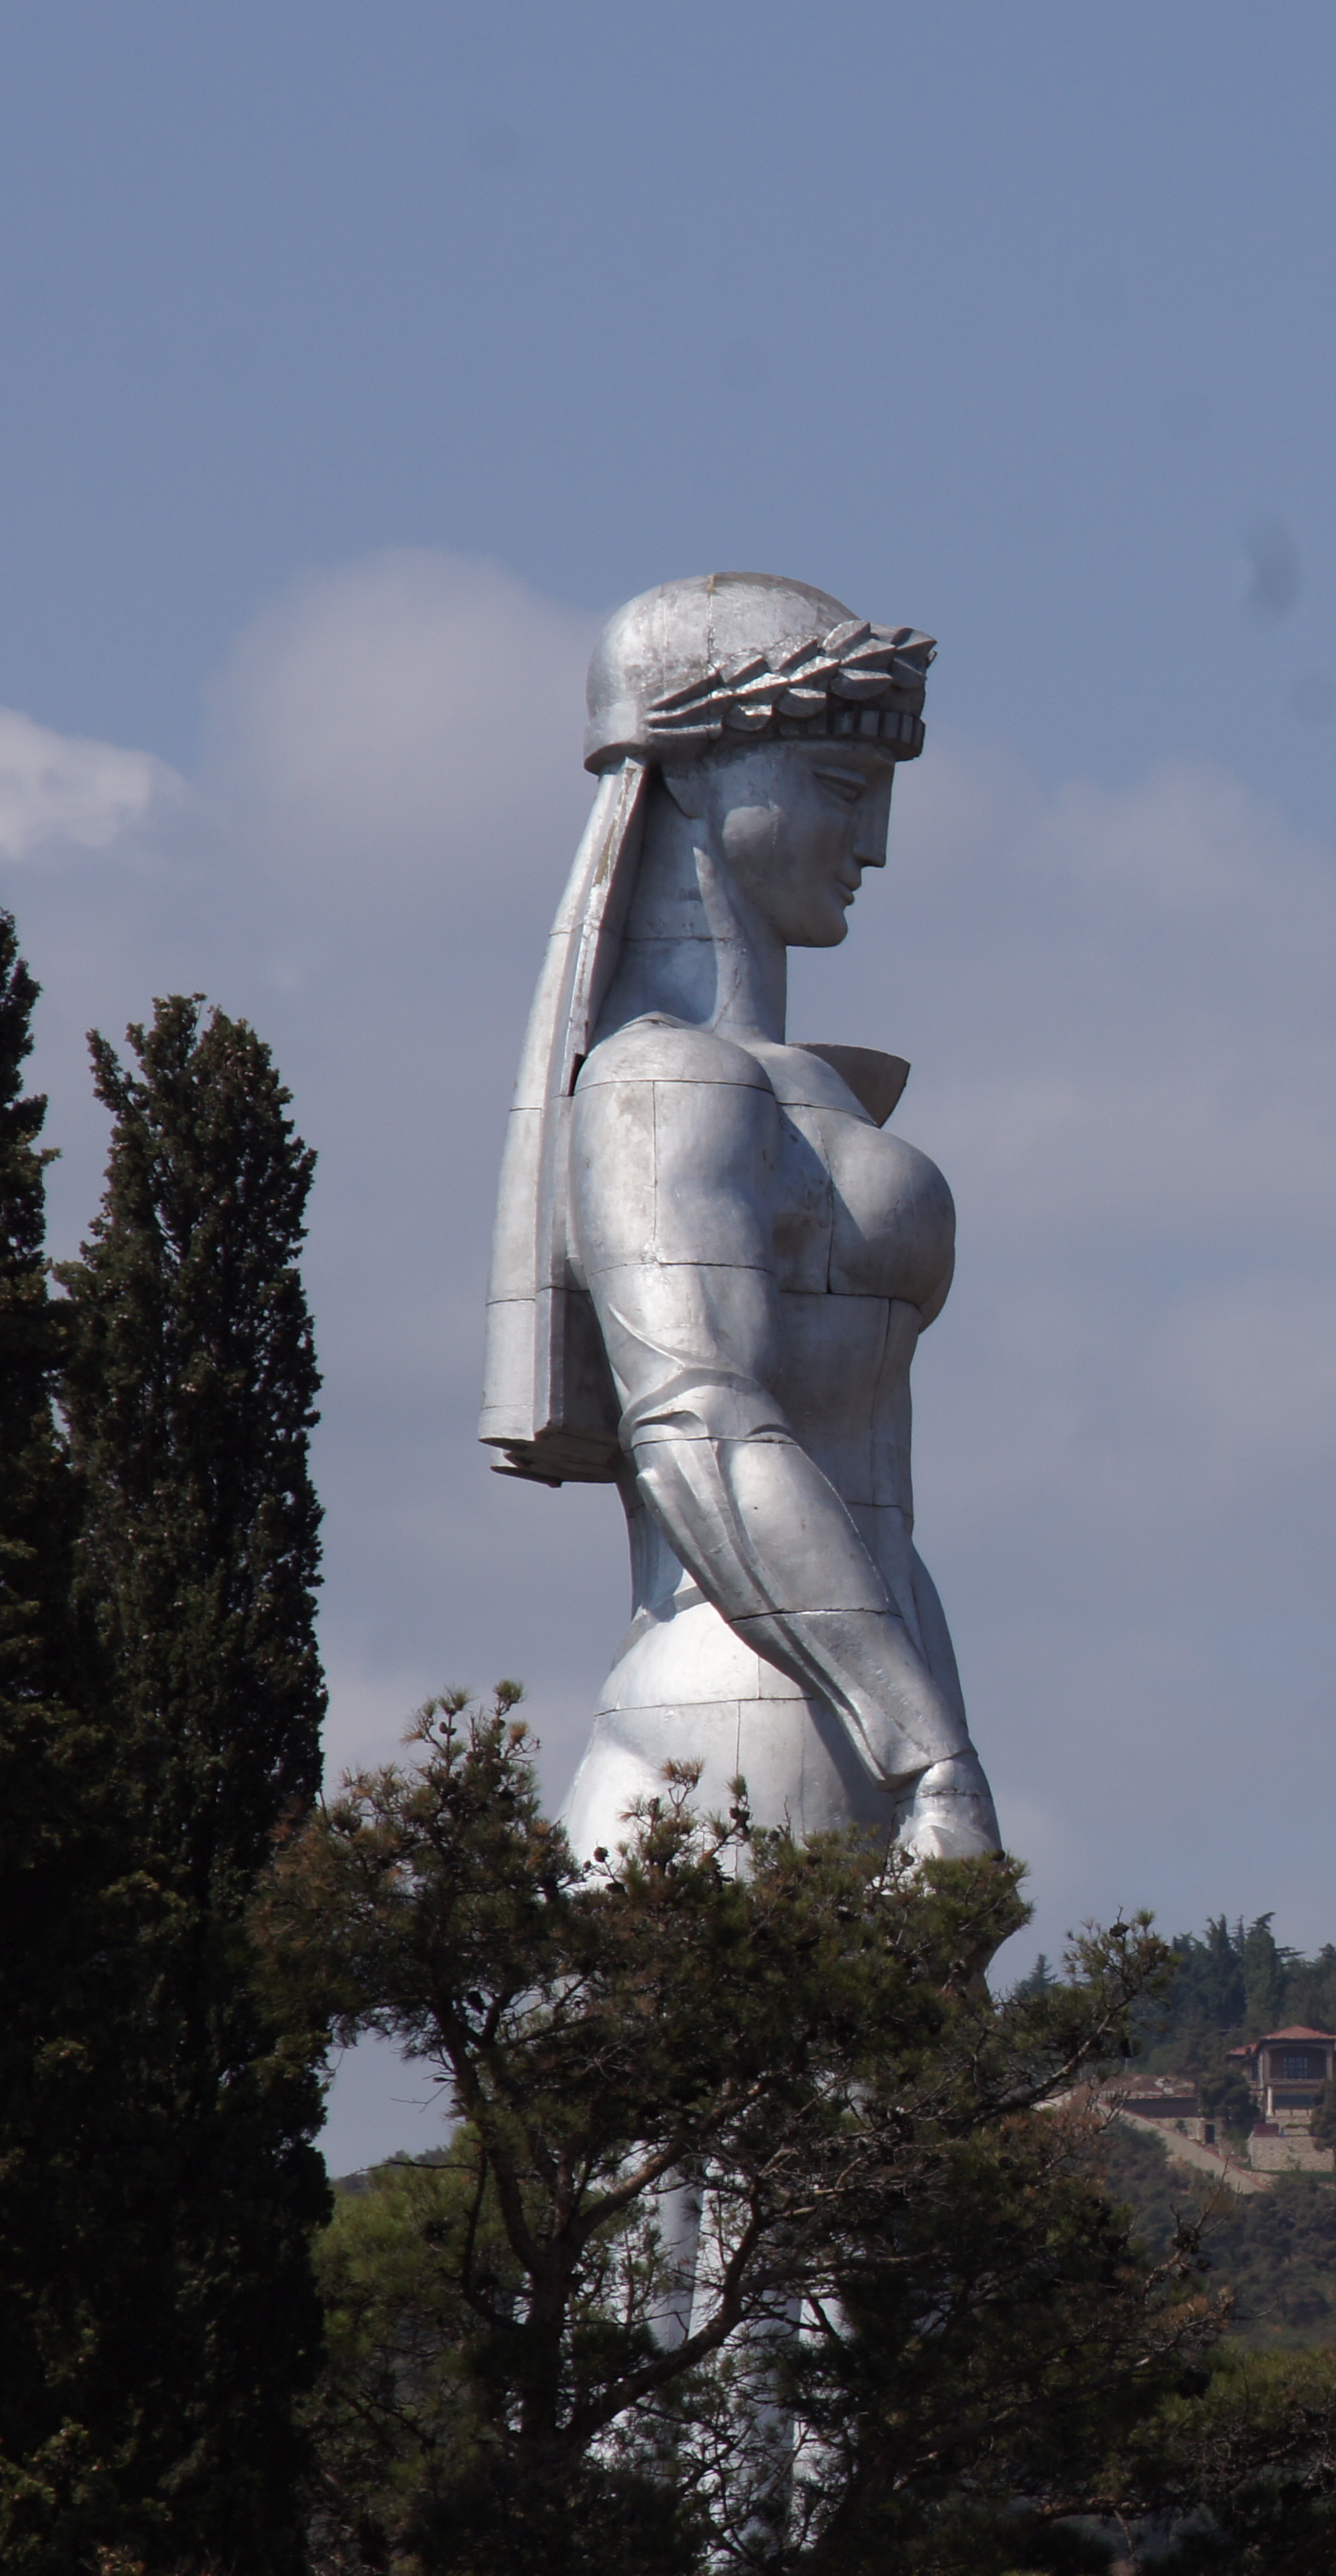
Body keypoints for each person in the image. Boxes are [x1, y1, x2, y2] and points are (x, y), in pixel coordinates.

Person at [483, 572, 999, 1862]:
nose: (874, 844)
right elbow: (698, 1429)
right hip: (735, 1731)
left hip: (856, 1700)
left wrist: (935, 1741)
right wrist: (932, 1755)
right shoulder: (663, 1078)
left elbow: (869, 1505)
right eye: (837, 786)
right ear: (697, 777)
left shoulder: (794, 1088)